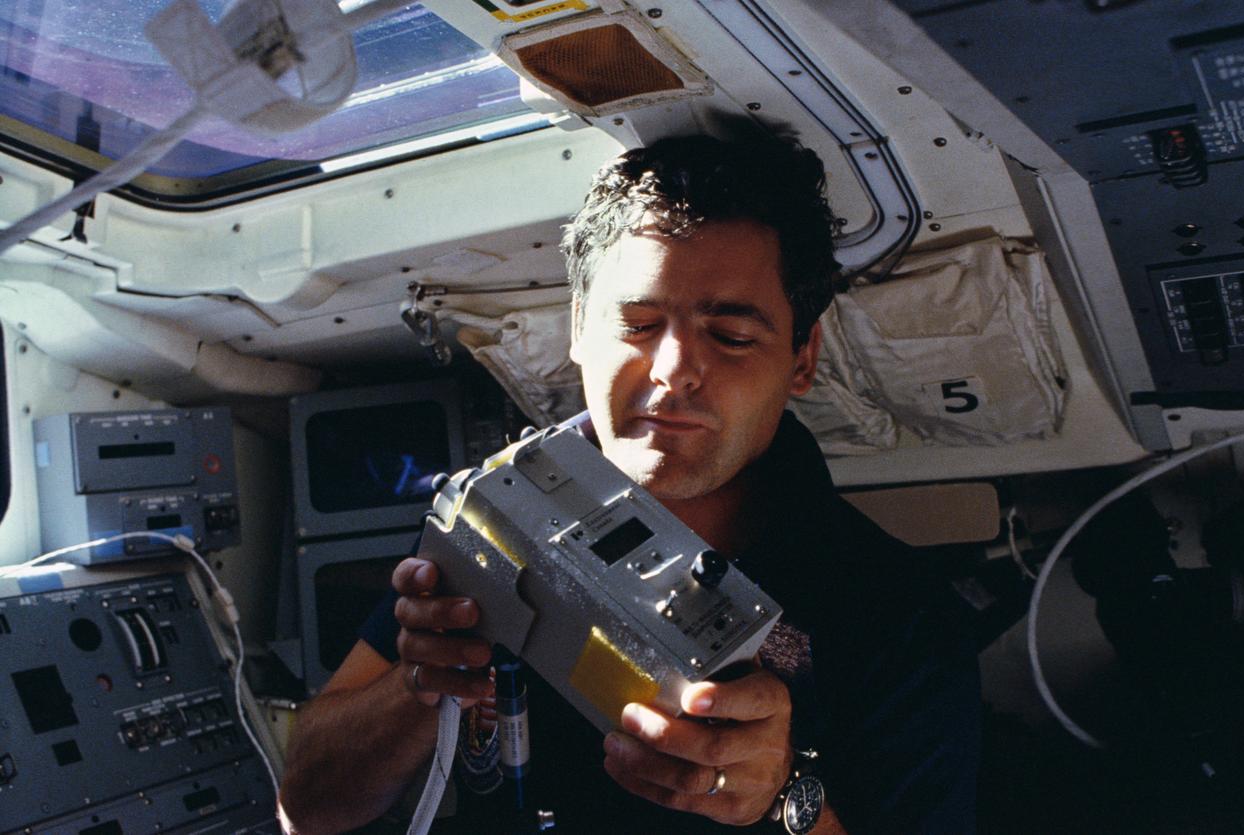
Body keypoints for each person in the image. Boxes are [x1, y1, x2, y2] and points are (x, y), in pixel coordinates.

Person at [277, 130, 981, 834]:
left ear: (802, 358)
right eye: (639, 324)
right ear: (580, 328)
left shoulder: (901, 619)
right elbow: (304, 808)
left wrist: (780, 801)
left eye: (731, 337)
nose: (673, 371)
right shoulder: (498, 511)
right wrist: (417, 687)